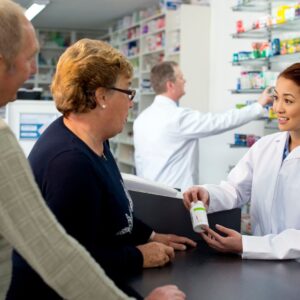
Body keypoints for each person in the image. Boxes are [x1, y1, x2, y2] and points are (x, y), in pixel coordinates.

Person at [0, 1, 185, 299]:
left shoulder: (96, 140)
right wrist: (138, 263)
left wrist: (149, 235)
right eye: (30, 57)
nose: (34, 69)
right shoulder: (67, 161)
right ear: (101, 96)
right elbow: (64, 261)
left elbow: (112, 210)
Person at [182, 62, 300, 260]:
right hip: (261, 267)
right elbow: (235, 189)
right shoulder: (266, 146)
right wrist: (207, 194)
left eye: (288, 101)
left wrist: (248, 244)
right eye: (276, 98)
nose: (277, 108)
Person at [133, 61, 273, 191]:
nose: (185, 81)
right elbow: (221, 121)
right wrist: (258, 105)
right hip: (174, 197)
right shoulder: (177, 118)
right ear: (170, 85)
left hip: (148, 194)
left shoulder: (141, 119)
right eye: (181, 77)